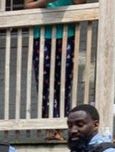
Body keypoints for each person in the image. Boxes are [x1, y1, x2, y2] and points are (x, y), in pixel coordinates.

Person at [25, 0, 87, 141]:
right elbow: (27, 5)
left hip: (67, 34)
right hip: (41, 35)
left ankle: (59, 129)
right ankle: (50, 129)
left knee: (64, 84)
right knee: (44, 84)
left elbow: (81, 2)